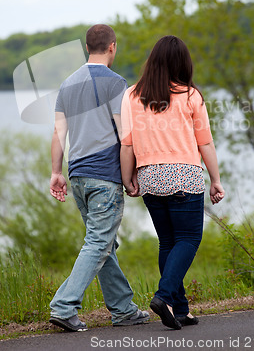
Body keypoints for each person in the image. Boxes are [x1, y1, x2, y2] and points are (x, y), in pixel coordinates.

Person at [49, 24, 149, 332]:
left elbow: (58, 133)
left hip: (77, 176)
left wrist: (55, 172)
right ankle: (64, 306)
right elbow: (125, 135)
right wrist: (130, 176)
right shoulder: (117, 83)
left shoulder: (67, 84)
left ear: (87, 47)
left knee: (104, 243)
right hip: (104, 177)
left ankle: (123, 309)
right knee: (98, 242)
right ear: (112, 47)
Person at [120, 35, 224, 331]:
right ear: (182, 63)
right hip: (184, 176)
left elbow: (127, 145)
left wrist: (128, 177)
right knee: (188, 240)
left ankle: (181, 309)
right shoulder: (191, 96)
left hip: (150, 177)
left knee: (167, 242)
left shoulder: (131, 95)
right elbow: (205, 143)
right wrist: (215, 180)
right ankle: (164, 297)